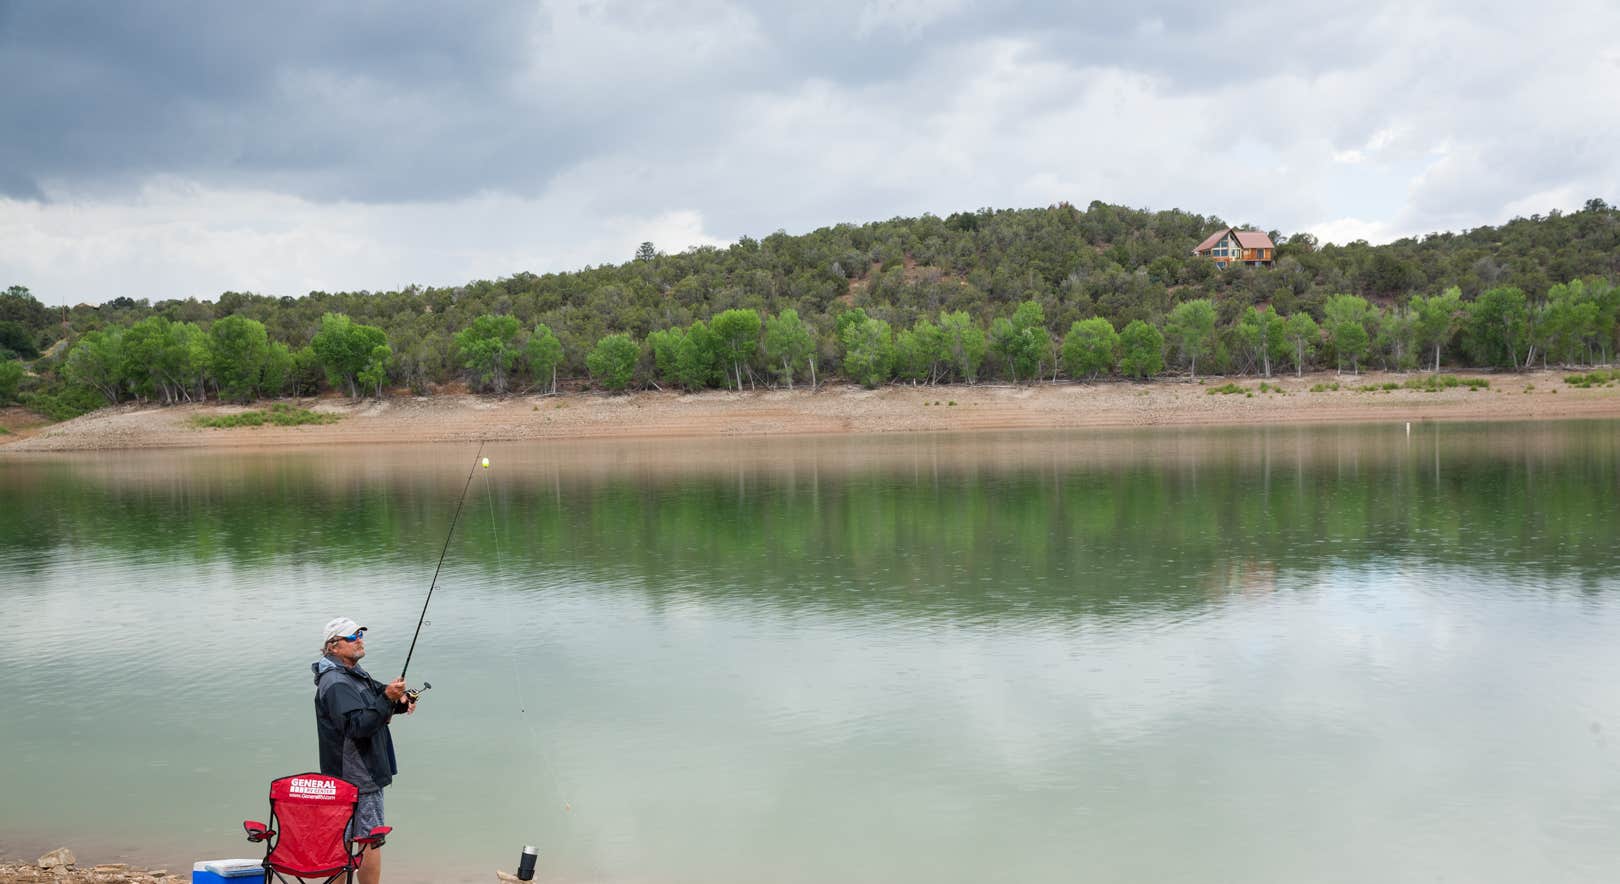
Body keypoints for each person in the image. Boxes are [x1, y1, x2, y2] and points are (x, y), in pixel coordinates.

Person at [313, 617, 415, 884]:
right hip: (357, 775)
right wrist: (387, 700)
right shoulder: (336, 682)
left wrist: (399, 701)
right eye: (351, 636)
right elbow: (357, 726)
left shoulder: (353, 674)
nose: (359, 639)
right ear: (333, 646)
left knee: (344, 839)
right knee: (371, 840)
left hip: (354, 774)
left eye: (360, 633)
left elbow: (376, 698)